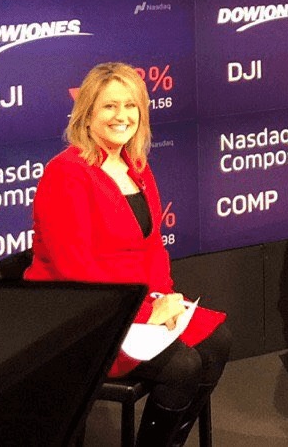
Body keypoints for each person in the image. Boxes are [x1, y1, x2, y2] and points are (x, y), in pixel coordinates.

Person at [26, 62, 230, 447]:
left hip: (133, 305)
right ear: (87, 115)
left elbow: (151, 247)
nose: (122, 116)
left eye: (131, 105)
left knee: (218, 340)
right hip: (84, 317)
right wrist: (145, 315)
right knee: (183, 366)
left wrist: (164, 298)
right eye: (109, 106)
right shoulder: (66, 173)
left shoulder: (135, 166)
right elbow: (75, 271)